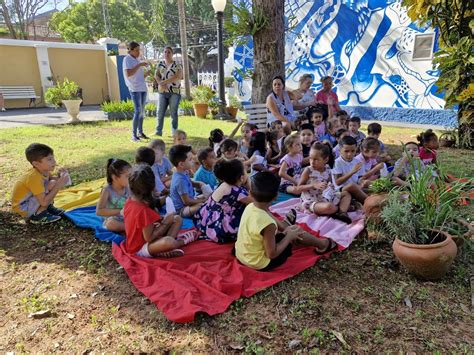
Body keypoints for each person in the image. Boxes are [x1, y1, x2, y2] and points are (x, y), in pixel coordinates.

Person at [235, 171, 338, 271]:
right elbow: (272, 254)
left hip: (242, 255)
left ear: (250, 193)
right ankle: (323, 244)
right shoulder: (268, 224)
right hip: (260, 263)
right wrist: (288, 237)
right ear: (276, 197)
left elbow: (265, 215)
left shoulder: (250, 206)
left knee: (288, 231)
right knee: (294, 230)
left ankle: (287, 228)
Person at [123, 164, 197, 258]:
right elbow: (149, 238)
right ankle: (180, 242)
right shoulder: (142, 210)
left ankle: (163, 250)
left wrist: (163, 220)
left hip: (149, 239)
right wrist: (165, 222)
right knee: (168, 242)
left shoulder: (131, 201)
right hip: (140, 248)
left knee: (177, 218)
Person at [194, 159, 252, 243]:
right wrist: (249, 185)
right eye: (246, 172)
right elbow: (256, 203)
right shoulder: (238, 192)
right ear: (242, 178)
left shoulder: (224, 184)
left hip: (206, 220)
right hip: (219, 228)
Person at [11, 143, 70, 224]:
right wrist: (58, 185)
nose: (54, 162)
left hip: (31, 201)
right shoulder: (33, 177)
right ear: (36, 164)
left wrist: (61, 176)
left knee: (52, 183)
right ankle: (38, 215)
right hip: (23, 207)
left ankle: (47, 208)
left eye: (53, 158)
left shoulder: (44, 171)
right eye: (49, 159)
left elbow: (52, 180)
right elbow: (44, 202)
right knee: (52, 184)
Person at [299, 143, 352, 223]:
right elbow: (298, 188)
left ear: (326, 160)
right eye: (310, 158)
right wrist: (313, 185)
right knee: (328, 207)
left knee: (346, 194)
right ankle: (339, 209)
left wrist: (329, 186)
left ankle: (342, 213)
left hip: (325, 197)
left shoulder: (327, 168)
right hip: (312, 201)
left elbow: (330, 182)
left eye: (316, 159)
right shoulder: (308, 171)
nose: (312, 162)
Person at [123, 41, 150, 142]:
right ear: (131, 50)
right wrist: (139, 65)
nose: (139, 52)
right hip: (135, 89)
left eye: (140, 50)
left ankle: (140, 132)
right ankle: (133, 135)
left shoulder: (137, 60)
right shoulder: (127, 59)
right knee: (138, 111)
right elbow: (128, 73)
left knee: (142, 112)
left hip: (142, 88)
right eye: (137, 50)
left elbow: (138, 77)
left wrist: (146, 74)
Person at [169, 144, 206, 217]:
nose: (193, 161)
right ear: (181, 164)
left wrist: (200, 184)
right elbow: (187, 202)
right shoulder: (180, 180)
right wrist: (203, 200)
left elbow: (191, 182)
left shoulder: (183, 171)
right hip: (182, 209)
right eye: (190, 159)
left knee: (207, 196)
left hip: (191, 199)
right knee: (201, 205)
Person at [96, 159, 131, 232]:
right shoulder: (107, 190)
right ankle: (132, 229)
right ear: (115, 177)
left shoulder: (128, 186)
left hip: (128, 216)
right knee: (111, 224)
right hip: (114, 219)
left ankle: (133, 227)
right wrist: (121, 211)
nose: (131, 178)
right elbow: (99, 211)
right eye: (127, 176)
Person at [155, 46, 183, 137]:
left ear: (172, 54)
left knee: (173, 112)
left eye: (169, 52)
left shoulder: (177, 65)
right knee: (160, 112)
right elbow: (156, 75)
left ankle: (174, 132)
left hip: (174, 92)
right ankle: (158, 131)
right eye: (165, 52)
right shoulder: (160, 64)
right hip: (162, 92)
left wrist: (164, 82)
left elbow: (178, 77)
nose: (167, 54)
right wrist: (160, 83)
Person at [332, 136, 367, 203]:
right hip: (340, 189)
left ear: (356, 149)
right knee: (352, 186)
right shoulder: (337, 162)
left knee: (368, 185)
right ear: (340, 150)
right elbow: (338, 182)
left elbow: (360, 178)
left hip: (355, 187)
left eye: (352, 151)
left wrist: (361, 182)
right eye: (346, 151)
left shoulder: (358, 162)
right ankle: (369, 202)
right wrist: (352, 172)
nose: (349, 154)